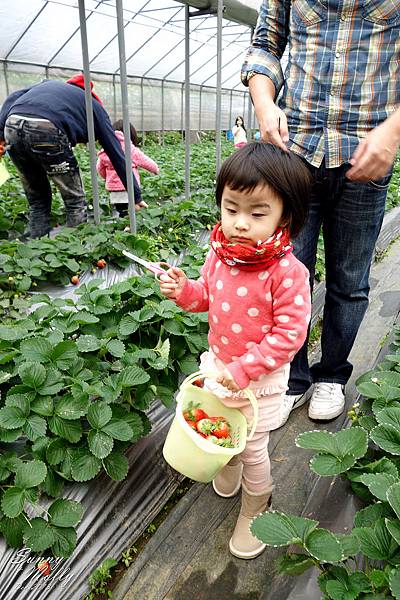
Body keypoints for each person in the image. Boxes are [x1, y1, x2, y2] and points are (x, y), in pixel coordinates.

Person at [241, 2, 400, 424]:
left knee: (350, 279)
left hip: (365, 153)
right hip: (295, 148)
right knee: (286, 274)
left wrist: (393, 129)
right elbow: (266, 45)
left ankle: (331, 375)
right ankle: (290, 380)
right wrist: (263, 102)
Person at [159, 142, 312, 559]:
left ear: (287, 216)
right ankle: (227, 464)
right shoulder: (219, 253)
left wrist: (245, 369)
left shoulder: (287, 272)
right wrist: (183, 290)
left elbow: (289, 336)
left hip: (259, 381)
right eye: (231, 209)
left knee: (252, 447)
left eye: (257, 213)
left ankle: (255, 509)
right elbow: (205, 296)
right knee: (220, 423)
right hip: (218, 366)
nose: (241, 223)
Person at [0, 74, 144, 238]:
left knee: (37, 198)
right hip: (47, 130)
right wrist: (136, 196)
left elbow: (13, 96)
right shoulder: (94, 106)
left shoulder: (48, 86)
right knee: (74, 202)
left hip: (11, 126)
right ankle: (73, 245)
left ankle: (33, 243)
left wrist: (0, 134)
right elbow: (116, 153)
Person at [97, 119, 158, 217]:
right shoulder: (130, 149)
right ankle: (130, 226)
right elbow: (145, 161)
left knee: (122, 211)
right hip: (130, 187)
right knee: (134, 210)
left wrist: (107, 177)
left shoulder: (106, 150)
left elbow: (100, 168)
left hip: (114, 190)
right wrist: (155, 169)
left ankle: (124, 224)